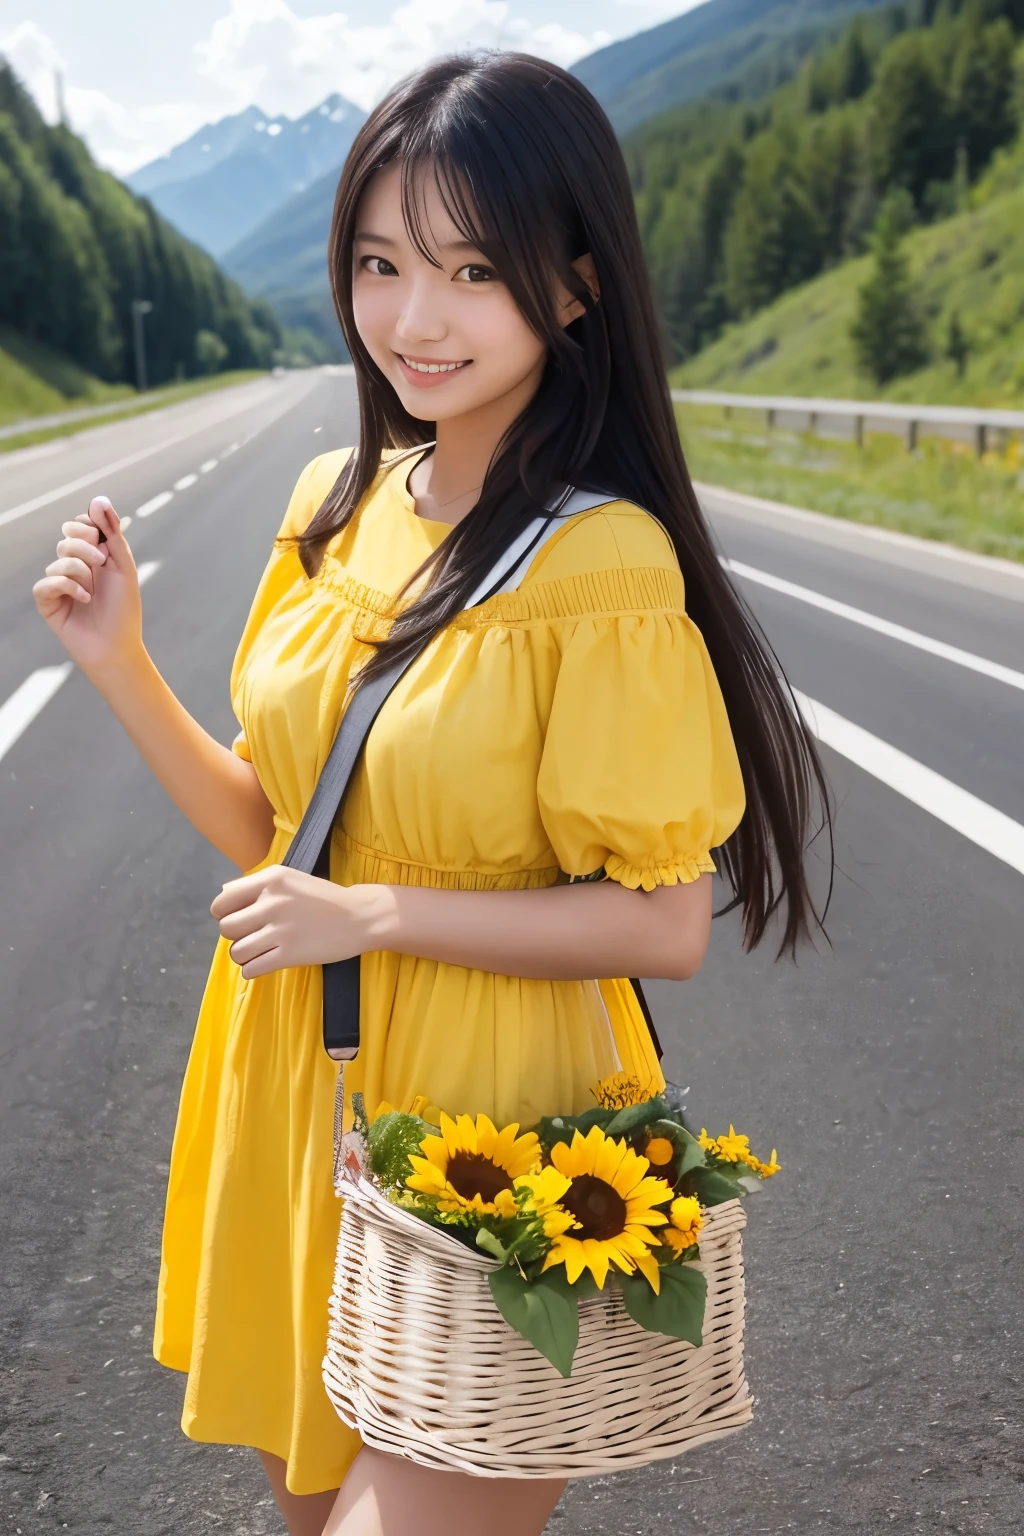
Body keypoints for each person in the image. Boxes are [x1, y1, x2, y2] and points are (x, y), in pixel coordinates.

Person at [32, 51, 829, 1536]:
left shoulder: (601, 567)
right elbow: (281, 833)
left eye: (473, 271)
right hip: (297, 1085)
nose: (414, 317)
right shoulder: (332, 503)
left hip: (486, 1123)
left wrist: (371, 914)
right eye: (382, 262)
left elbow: (663, 927)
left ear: (574, 289)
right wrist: (120, 661)